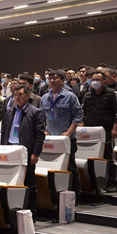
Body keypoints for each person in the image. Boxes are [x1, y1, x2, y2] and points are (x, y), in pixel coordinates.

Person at [1, 86, 46, 216]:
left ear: (28, 96)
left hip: (26, 151)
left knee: (29, 183)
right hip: (10, 150)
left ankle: (31, 214)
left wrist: (35, 153)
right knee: (11, 182)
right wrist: (2, 149)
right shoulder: (9, 111)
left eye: (20, 94)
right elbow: (4, 131)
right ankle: (14, 211)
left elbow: (40, 135)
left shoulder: (35, 112)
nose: (17, 97)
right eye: (15, 95)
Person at [41, 70, 84, 201]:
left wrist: (69, 132)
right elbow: (42, 117)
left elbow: (79, 115)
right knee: (53, 168)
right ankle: (56, 196)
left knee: (71, 167)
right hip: (51, 139)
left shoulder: (70, 96)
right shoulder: (44, 97)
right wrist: (44, 129)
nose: (52, 80)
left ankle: (76, 196)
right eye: (50, 78)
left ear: (63, 80)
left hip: (67, 138)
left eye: (55, 78)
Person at [82, 70, 117, 193]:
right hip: (90, 131)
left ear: (104, 81)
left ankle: (112, 182)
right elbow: (83, 112)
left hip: (107, 130)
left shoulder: (112, 94)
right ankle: (95, 182)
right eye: (93, 79)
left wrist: (115, 129)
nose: (94, 82)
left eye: (97, 80)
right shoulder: (87, 95)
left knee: (109, 156)